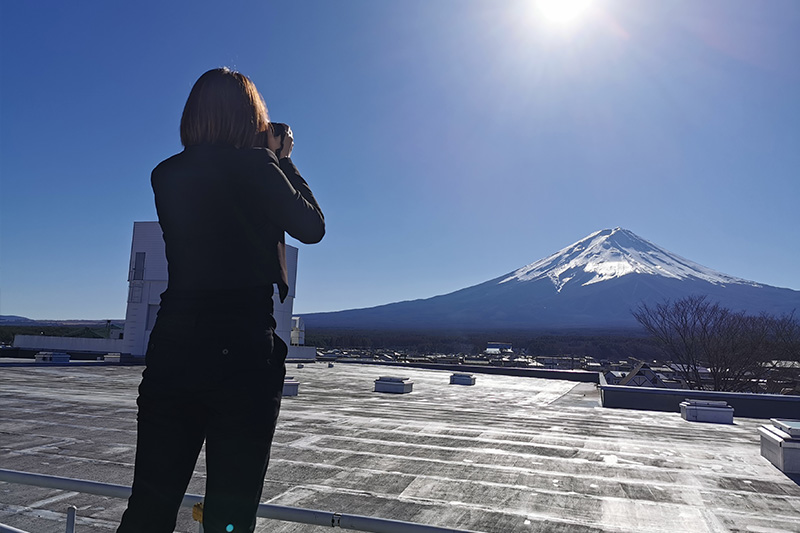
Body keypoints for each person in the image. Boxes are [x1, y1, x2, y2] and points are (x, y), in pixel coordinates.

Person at [117, 67, 325, 533]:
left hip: (174, 344)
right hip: (243, 349)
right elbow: (312, 227)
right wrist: (282, 158)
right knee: (229, 514)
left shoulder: (165, 173)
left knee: (149, 505)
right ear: (249, 118)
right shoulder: (260, 166)